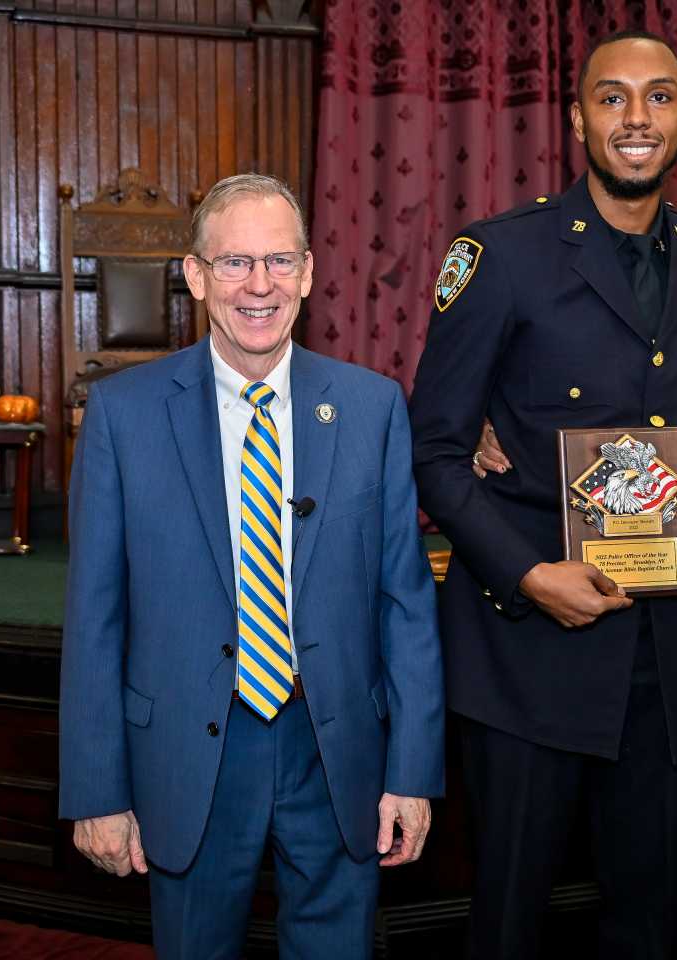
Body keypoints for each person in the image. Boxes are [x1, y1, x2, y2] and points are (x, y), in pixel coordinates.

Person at [409, 30, 677, 960]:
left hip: (666, 654)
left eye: (659, 97)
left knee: (652, 923)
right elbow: (433, 451)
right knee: (509, 922)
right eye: (612, 97)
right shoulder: (499, 254)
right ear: (577, 119)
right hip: (528, 655)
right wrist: (526, 575)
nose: (637, 118)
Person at [58, 173, 445, 958]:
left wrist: (413, 773)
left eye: (278, 261)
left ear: (306, 272)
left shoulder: (370, 407)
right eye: (234, 262)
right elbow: (95, 617)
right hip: (189, 754)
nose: (258, 285)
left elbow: (404, 603)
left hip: (335, 751)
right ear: (197, 276)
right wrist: (97, 791)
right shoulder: (124, 415)